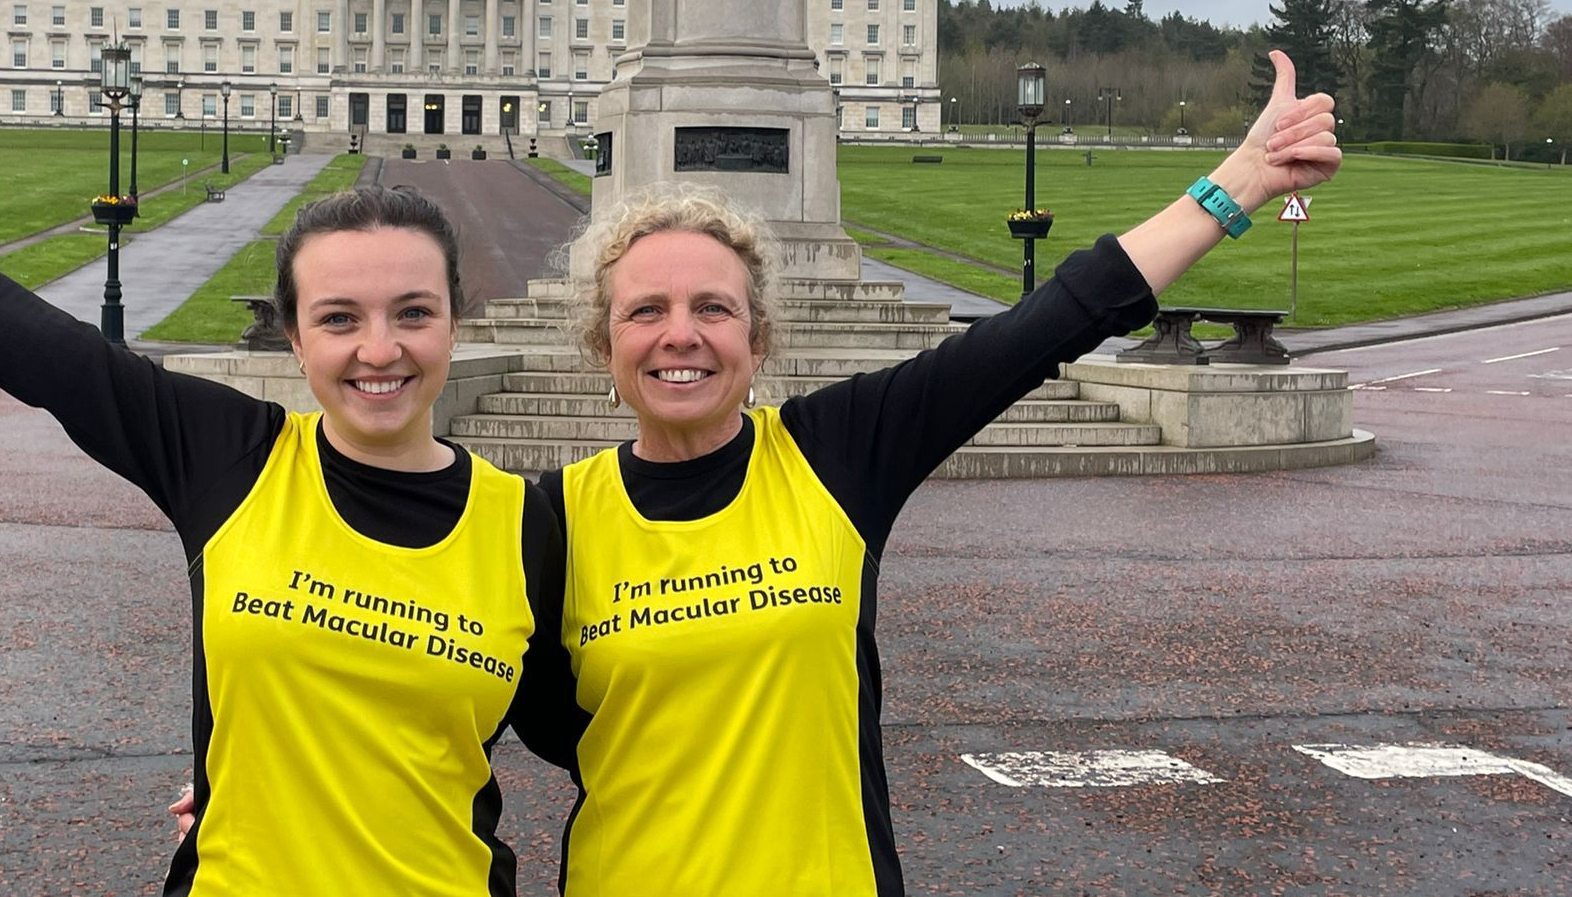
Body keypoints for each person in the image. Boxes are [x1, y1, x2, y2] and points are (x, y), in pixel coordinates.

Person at [0, 67, 574, 897]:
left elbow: (606, 736)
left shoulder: (525, 524)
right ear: (295, 338)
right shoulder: (229, 456)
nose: (379, 349)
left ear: (454, 322)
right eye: (339, 319)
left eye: (412, 313)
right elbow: (28, 341)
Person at [545, 53, 1340, 896]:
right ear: (603, 342)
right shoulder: (550, 521)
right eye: (646, 311)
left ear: (758, 339)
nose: (681, 334)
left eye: (714, 307)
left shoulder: (836, 452)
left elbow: (1052, 321)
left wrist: (1241, 180)